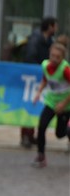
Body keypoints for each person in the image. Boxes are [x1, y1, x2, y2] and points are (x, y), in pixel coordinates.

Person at [30, 39, 70, 169]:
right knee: (42, 126)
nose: (54, 59)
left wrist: (63, 104)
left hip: (66, 105)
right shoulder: (46, 65)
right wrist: (38, 92)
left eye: (58, 57)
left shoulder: (65, 69)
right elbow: (45, 78)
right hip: (51, 102)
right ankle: (41, 156)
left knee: (60, 133)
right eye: (52, 56)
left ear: (62, 58)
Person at [20, 17, 59, 148]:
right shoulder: (35, 39)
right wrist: (40, 69)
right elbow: (30, 57)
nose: (56, 29)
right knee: (29, 104)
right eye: (55, 26)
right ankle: (26, 134)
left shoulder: (49, 41)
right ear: (50, 26)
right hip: (33, 79)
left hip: (43, 79)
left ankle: (32, 135)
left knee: (38, 106)